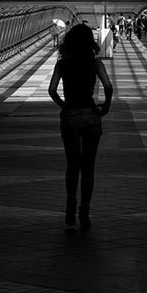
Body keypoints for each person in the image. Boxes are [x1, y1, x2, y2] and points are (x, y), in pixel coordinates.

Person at [48, 24, 113, 232]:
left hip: (70, 116)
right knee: (89, 167)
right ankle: (84, 211)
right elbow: (108, 86)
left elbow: (52, 90)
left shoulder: (62, 64)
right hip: (91, 116)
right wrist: (106, 107)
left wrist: (63, 105)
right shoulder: (95, 63)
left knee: (72, 164)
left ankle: (70, 206)